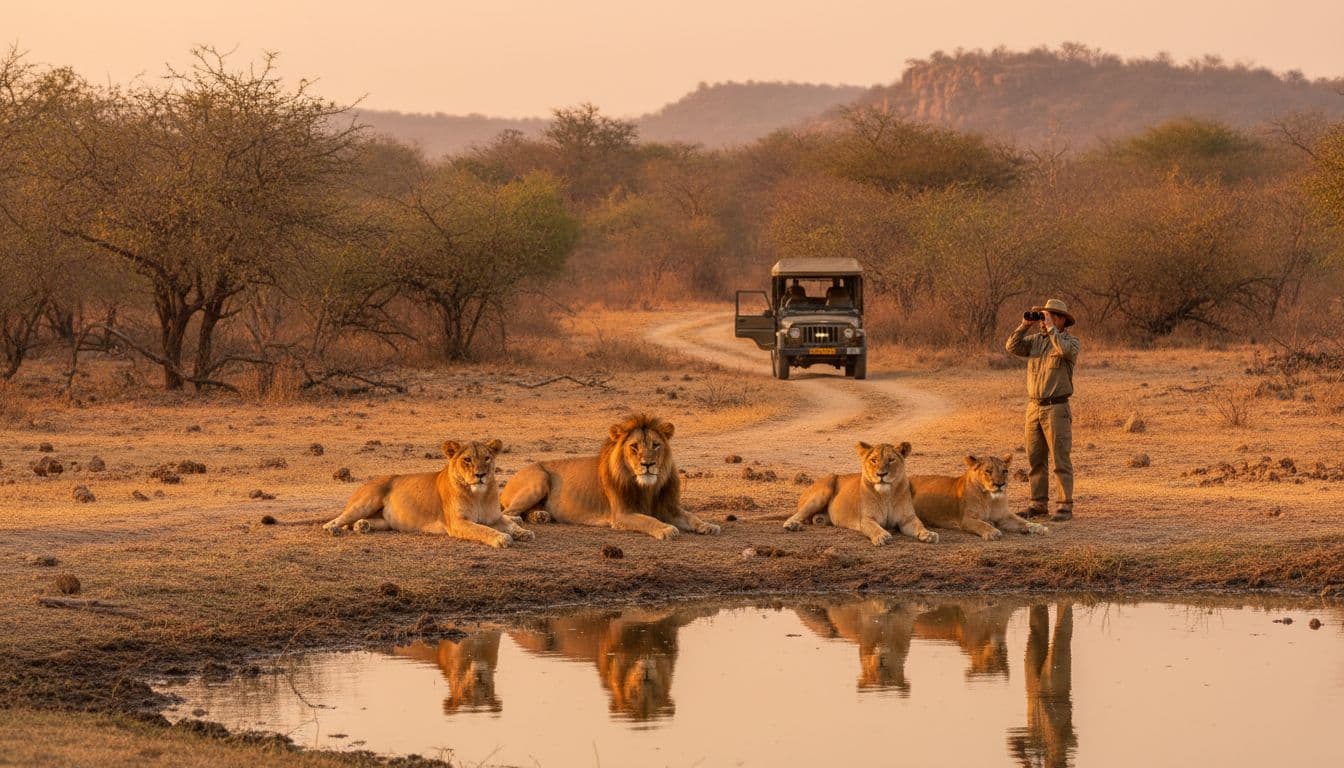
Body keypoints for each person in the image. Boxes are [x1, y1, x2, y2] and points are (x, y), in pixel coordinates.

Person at [1005, 299, 1079, 521]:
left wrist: (1052, 330)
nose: (1044, 320)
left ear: (1062, 319)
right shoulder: (1035, 341)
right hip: (1033, 408)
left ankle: (1065, 505)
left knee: (1060, 458)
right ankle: (1038, 505)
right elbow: (1012, 346)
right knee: (1035, 459)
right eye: (1044, 316)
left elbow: (1064, 350)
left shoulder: (1070, 341)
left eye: (1050, 316)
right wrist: (1024, 325)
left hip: (1056, 408)